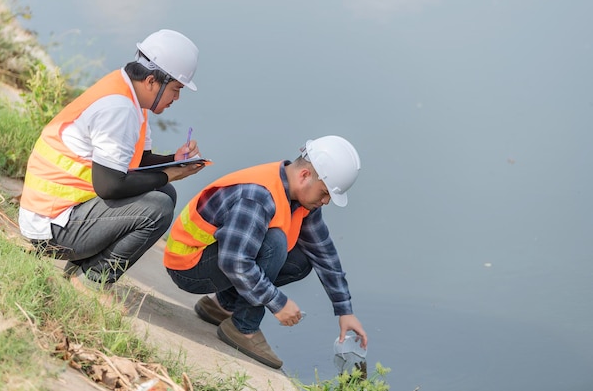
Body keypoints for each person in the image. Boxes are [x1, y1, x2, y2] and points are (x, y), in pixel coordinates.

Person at [19, 29, 206, 289]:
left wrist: (174, 161)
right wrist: (170, 173)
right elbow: (110, 186)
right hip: (51, 227)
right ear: (152, 81)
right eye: (176, 89)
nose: (177, 98)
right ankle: (91, 283)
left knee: (165, 191)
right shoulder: (118, 108)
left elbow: (138, 161)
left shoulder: (128, 94)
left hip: (61, 213)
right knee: (158, 209)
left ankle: (79, 270)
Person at [163, 135, 368, 369]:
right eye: (325, 193)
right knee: (275, 242)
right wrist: (276, 302)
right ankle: (243, 329)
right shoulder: (258, 195)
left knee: (303, 260)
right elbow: (235, 261)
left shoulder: (301, 200)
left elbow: (324, 253)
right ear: (304, 176)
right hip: (189, 265)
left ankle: (221, 306)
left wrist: (345, 310)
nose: (326, 201)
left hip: (216, 258)